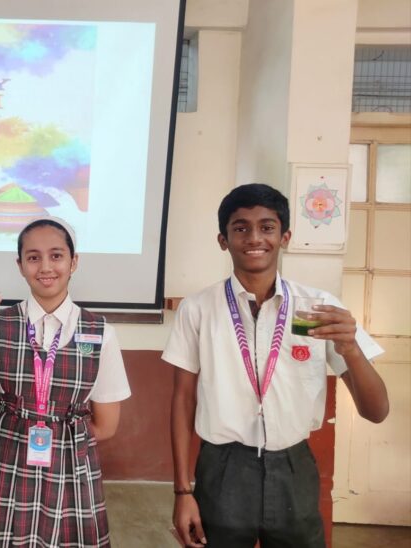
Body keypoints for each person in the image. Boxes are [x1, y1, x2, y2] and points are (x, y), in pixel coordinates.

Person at [165, 183, 389, 548]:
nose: (255, 238)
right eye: (241, 228)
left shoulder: (318, 308)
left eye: (267, 227)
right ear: (223, 240)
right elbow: (182, 399)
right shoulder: (198, 309)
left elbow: (376, 411)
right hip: (222, 468)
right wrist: (181, 491)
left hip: (293, 467)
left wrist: (350, 349)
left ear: (285, 237)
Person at [0, 216, 131, 547]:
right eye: (33, 257)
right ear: (20, 265)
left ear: (74, 262)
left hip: (70, 468)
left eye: (56, 255)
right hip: (1, 460)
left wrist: (61, 438)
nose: (45, 266)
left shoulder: (101, 332)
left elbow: (106, 425)